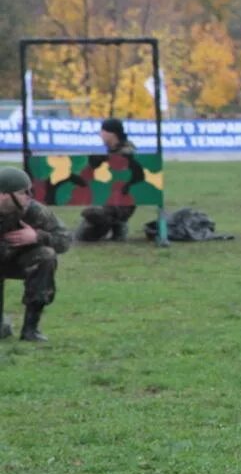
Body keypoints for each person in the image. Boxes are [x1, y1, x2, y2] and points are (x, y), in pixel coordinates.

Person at [0, 166, 71, 342]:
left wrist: (37, 236)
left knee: (46, 256)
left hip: (17, 261)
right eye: (23, 192)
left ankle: (31, 329)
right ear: (4, 195)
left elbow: (65, 240)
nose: (29, 196)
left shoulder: (34, 211)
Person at [76, 117, 138, 242]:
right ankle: (114, 225)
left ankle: (118, 223)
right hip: (108, 200)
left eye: (102, 131)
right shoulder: (114, 151)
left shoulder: (127, 151)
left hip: (121, 203)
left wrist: (104, 159)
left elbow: (123, 160)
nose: (100, 135)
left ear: (111, 134)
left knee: (91, 213)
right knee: (83, 235)